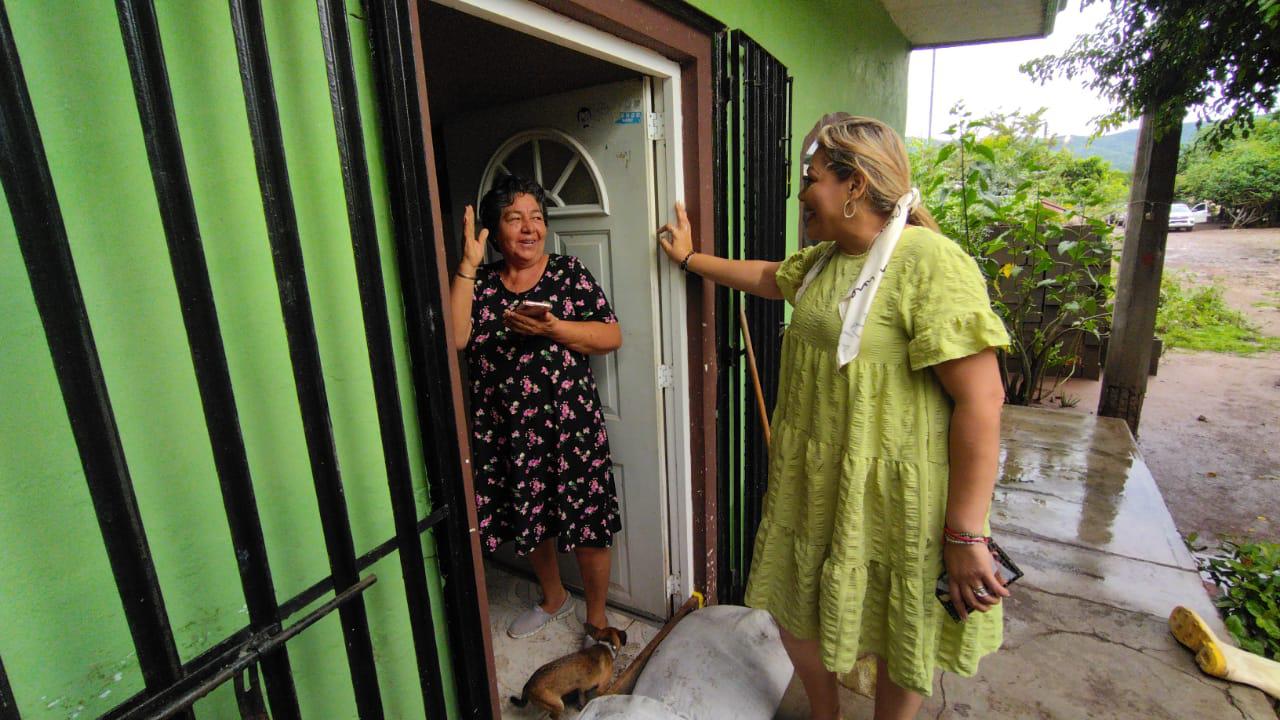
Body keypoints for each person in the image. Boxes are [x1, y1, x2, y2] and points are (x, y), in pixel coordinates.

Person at [657, 116, 1011, 720]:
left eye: (811, 180)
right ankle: (826, 712)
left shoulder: (928, 261)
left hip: (894, 498)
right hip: (815, 485)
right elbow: (771, 277)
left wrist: (965, 532)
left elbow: (983, 401)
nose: (801, 197)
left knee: (899, 634)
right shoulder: (824, 262)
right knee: (796, 607)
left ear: (855, 185)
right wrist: (692, 259)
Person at [450, 174, 623, 640]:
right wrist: (467, 267)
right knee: (531, 515)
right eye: (514, 218)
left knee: (587, 521)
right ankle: (554, 598)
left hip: (570, 426)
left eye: (536, 218)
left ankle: (598, 619)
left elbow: (610, 335)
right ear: (495, 230)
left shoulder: (569, 273)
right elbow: (457, 338)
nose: (529, 228)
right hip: (508, 428)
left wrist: (553, 329)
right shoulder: (482, 284)